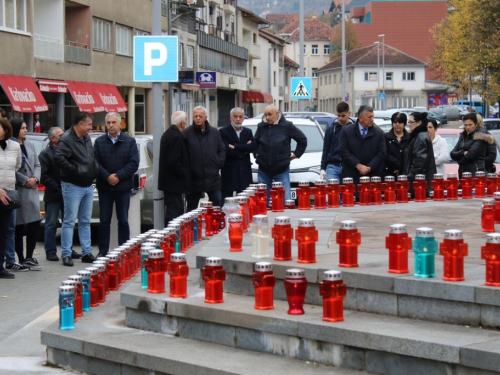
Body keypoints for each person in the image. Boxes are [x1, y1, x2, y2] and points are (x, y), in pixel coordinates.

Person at [54, 112, 99, 267]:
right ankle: (66, 254)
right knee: (69, 221)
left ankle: (87, 252)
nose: (90, 128)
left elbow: (91, 157)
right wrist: (76, 170)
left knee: (85, 221)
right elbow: (59, 158)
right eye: (89, 125)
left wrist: (94, 169)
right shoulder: (66, 139)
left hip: (87, 185)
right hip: (72, 185)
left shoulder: (85, 138)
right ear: (81, 124)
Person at [94, 112, 139, 257]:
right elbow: (95, 162)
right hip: (105, 187)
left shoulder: (130, 141)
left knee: (123, 220)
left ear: (120, 124)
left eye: (114, 122)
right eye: (108, 123)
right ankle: (102, 251)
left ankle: (124, 250)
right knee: (104, 221)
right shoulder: (99, 142)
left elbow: (133, 163)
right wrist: (107, 176)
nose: (111, 125)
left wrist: (118, 176)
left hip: (123, 187)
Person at [39, 127, 81, 262]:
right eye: (60, 135)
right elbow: (44, 176)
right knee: (51, 223)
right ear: (53, 139)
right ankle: (50, 251)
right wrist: (58, 188)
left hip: (68, 192)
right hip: (53, 194)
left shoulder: (68, 151)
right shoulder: (45, 154)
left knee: (68, 222)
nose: (64, 137)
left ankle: (67, 249)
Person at [10, 118, 43, 270]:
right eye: (22, 128)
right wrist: (25, 180)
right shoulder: (10, 146)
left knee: (34, 222)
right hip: (19, 189)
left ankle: (30, 256)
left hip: (32, 189)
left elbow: (37, 164)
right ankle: (20, 257)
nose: (25, 130)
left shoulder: (29, 145)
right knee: (18, 225)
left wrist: (35, 178)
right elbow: (11, 168)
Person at [254, 105, 307, 201]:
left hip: (281, 169)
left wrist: (296, 154)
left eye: (270, 114)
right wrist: (256, 153)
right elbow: (254, 142)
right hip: (263, 168)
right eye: (265, 115)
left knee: (286, 200)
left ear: (277, 114)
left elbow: (302, 140)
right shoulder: (261, 126)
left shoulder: (287, 126)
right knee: (263, 201)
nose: (267, 117)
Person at [184, 106, 226, 211]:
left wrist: (219, 163)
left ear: (205, 117)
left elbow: (222, 149)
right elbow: (182, 153)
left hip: (213, 177)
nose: (198, 118)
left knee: (217, 205)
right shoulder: (187, 133)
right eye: (195, 116)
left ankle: (217, 225)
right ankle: (191, 227)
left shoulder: (214, 132)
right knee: (191, 208)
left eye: (200, 116)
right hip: (194, 179)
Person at [339, 105, 386, 185]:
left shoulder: (378, 133)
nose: (372, 120)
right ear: (360, 118)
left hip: (372, 177)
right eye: (369, 117)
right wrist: (357, 165)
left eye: (373, 117)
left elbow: (381, 153)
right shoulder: (346, 131)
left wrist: (369, 167)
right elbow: (343, 151)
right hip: (351, 177)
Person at [158, 111, 190, 226]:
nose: (186, 123)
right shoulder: (175, 136)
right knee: (175, 211)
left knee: (173, 209)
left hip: (170, 182)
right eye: (185, 121)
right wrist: (184, 173)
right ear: (182, 123)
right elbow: (173, 160)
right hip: (173, 183)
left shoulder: (169, 133)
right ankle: (173, 237)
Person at [220, 107, 257, 202]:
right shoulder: (223, 132)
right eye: (235, 116)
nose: (238, 119)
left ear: (243, 118)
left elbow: (253, 147)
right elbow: (227, 150)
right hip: (230, 170)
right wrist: (244, 149)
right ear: (230, 118)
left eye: (240, 117)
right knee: (226, 199)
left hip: (244, 170)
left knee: (244, 199)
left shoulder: (247, 132)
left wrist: (236, 147)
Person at [0, 118, 21, 278]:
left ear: (6, 129)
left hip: (8, 193)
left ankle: (1, 265)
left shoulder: (14, 146)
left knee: (5, 231)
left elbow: (17, 166)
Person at [402, 112, 436, 196]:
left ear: (419, 123)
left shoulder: (420, 137)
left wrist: (410, 176)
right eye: (408, 122)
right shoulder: (417, 136)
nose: (409, 124)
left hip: (418, 181)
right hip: (418, 179)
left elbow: (419, 160)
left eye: (411, 122)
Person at [320, 101, 354, 181]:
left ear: (349, 113)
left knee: (347, 193)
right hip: (332, 166)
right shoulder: (331, 129)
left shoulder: (353, 129)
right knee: (333, 193)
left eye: (343, 116)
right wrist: (323, 168)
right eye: (338, 116)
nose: (340, 118)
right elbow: (326, 149)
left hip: (349, 166)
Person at [450, 113, 488, 178]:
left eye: (470, 125)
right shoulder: (463, 136)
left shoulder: (481, 135)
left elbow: (471, 154)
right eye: (466, 125)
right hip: (463, 172)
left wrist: (459, 162)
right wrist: (462, 153)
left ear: (476, 124)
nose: (468, 127)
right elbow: (452, 153)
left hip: (476, 171)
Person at [384, 112, 411, 178]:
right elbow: (385, 154)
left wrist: (401, 168)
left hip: (405, 173)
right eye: (395, 122)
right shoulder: (386, 137)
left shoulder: (410, 138)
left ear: (404, 124)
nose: (397, 125)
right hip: (389, 173)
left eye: (400, 122)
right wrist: (396, 166)